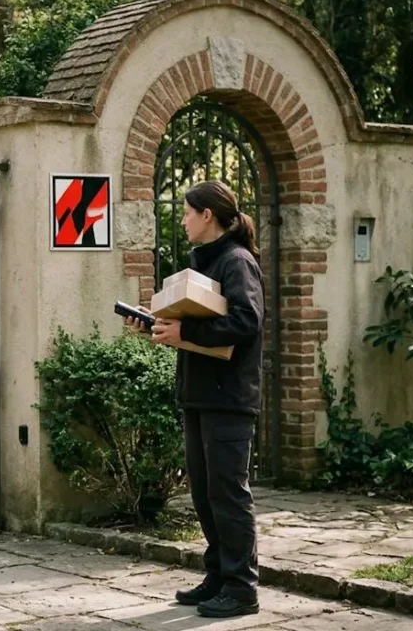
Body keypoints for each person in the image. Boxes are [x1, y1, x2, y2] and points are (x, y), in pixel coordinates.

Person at [125, 180, 265, 618]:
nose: (183, 220)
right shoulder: (207, 262)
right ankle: (219, 575)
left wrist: (185, 332)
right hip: (200, 393)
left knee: (227, 493)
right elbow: (200, 324)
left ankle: (242, 588)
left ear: (207, 215)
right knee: (205, 494)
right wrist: (159, 326)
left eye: (187, 212)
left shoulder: (237, 262)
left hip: (229, 397)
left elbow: (246, 322)